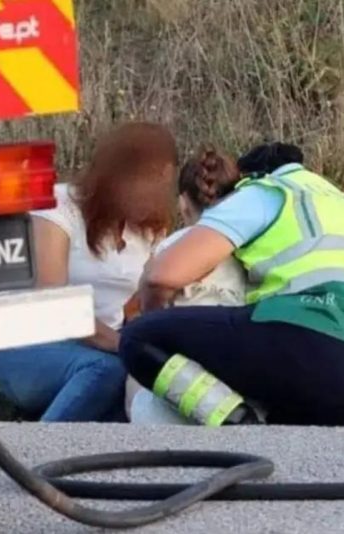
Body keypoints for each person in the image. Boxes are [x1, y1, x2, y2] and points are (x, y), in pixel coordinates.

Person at [117, 142, 344, 427]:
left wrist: (157, 321)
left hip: (311, 343)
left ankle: (240, 424)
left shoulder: (267, 191)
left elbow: (162, 276)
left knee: (138, 337)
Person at [0, 122, 178, 422]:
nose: (155, 195)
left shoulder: (151, 230)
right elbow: (53, 302)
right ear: (116, 177)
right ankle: (35, 458)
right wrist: (123, 346)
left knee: (137, 394)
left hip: (103, 348)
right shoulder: (58, 205)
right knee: (106, 371)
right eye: (148, 181)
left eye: (163, 184)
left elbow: (141, 304)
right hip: (25, 346)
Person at [124, 146, 248, 424]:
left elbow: (143, 308)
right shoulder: (252, 248)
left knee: (135, 353)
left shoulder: (173, 249)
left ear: (183, 202)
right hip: (243, 389)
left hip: (180, 396)